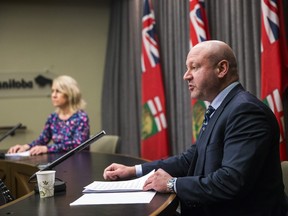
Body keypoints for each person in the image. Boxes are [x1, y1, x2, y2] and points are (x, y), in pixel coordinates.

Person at [103, 40, 288, 215]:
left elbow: (231, 181)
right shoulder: (222, 107)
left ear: (221, 69)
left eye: (195, 67)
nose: (186, 75)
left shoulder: (246, 111)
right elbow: (190, 159)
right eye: (187, 68)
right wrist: (133, 170)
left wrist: (171, 184)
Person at [7, 75, 90, 156]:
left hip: (79, 160)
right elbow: (43, 139)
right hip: (59, 160)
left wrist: (47, 148)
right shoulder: (53, 117)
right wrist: (25, 146)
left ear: (70, 94)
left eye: (58, 91)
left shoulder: (81, 117)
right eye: (52, 91)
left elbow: (77, 144)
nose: (53, 95)